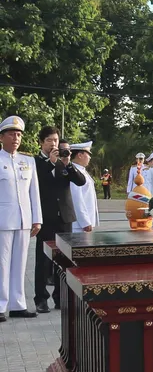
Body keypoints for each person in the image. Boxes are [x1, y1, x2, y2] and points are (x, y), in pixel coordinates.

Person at [33, 128, 86, 313]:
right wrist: (52, 163)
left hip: (65, 217)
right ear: (41, 142)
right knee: (43, 260)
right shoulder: (36, 162)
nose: (53, 144)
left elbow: (80, 181)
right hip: (46, 217)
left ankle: (60, 297)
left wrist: (67, 163)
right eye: (49, 140)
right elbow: (40, 183)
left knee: (63, 260)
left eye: (55, 140)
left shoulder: (64, 161)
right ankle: (41, 299)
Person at [0, 116, 42, 323]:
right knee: (2, 263)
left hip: (24, 220)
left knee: (20, 263)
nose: (16, 138)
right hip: (3, 221)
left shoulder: (28, 161)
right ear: (2, 137)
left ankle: (18, 305)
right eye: (11, 134)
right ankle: (0, 305)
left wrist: (37, 219)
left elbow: (34, 193)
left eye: (19, 135)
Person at [69, 142, 99, 234]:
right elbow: (76, 199)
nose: (89, 157)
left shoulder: (82, 171)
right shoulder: (74, 172)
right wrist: (85, 222)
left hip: (83, 224)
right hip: (79, 225)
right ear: (80, 155)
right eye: (88, 154)